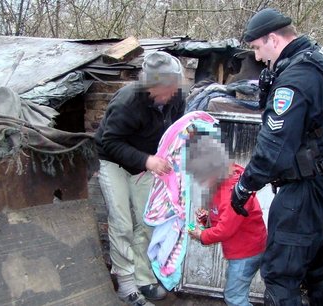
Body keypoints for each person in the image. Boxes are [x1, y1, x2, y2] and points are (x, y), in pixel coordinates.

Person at [230, 8, 323, 306]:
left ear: (273, 39)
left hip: (306, 191)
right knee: (316, 262)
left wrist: (245, 185)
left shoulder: (295, 78)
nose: (259, 58)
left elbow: (274, 150)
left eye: (258, 48)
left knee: (279, 275)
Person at [94, 51, 185, 306]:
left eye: (174, 87)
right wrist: (147, 160)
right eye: (165, 89)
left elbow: (177, 131)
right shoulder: (128, 101)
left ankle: (144, 279)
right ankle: (126, 285)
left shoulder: (177, 97)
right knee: (122, 223)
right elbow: (109, 142)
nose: (171, 95)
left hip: (148, 163)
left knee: (147, 222)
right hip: (113, 161)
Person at [186, 134, 267, 306]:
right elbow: (221, 219)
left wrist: (202, 235)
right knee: (235, 290)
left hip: (246, 253)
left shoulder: (232, 192)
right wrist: (206, 219)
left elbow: (225, 229)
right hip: (242, 251)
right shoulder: (220, 186)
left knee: (234, 298)